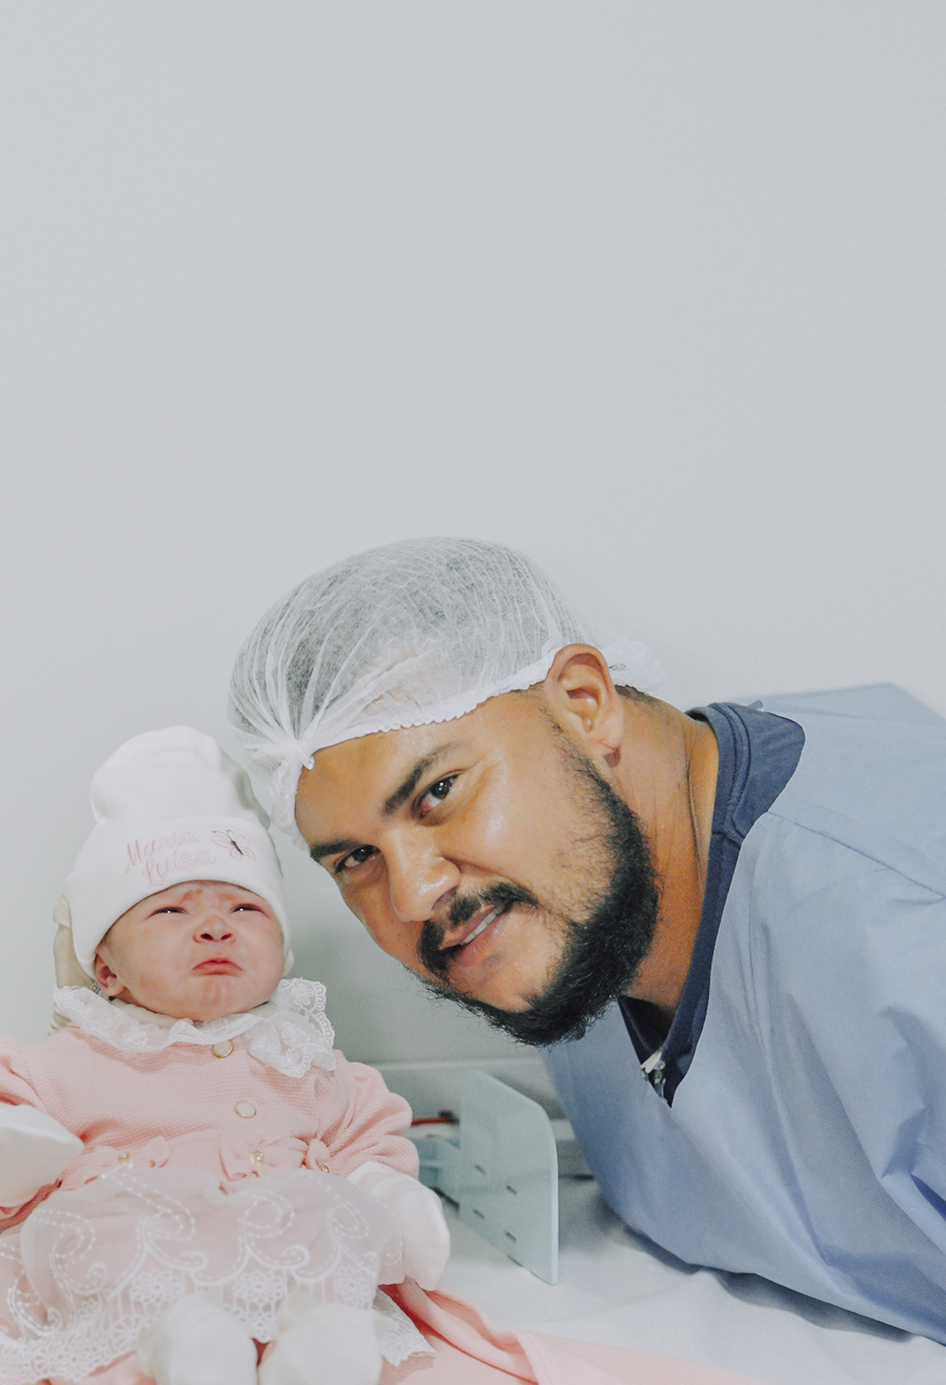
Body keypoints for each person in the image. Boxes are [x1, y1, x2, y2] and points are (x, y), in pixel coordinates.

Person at [227, 537, 946, 1344]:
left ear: (584, 703)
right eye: (355, 859)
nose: (414, 895)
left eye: (438, 792)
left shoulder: (906, 922)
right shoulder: (582, 902)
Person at [0, 725, 449, 1385]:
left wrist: (387, 1194)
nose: (215, 928)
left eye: (245, 909)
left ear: (282, 953)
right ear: (108, 969)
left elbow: (362, 1134)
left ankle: (313, 1359)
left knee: (321, 1243)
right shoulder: (78, 1057)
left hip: (274, 1253)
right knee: (97, 1292)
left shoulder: (300, 1057)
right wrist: (3, 1154)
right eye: (171, 910)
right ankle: (175, 1360)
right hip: (134, 1256)